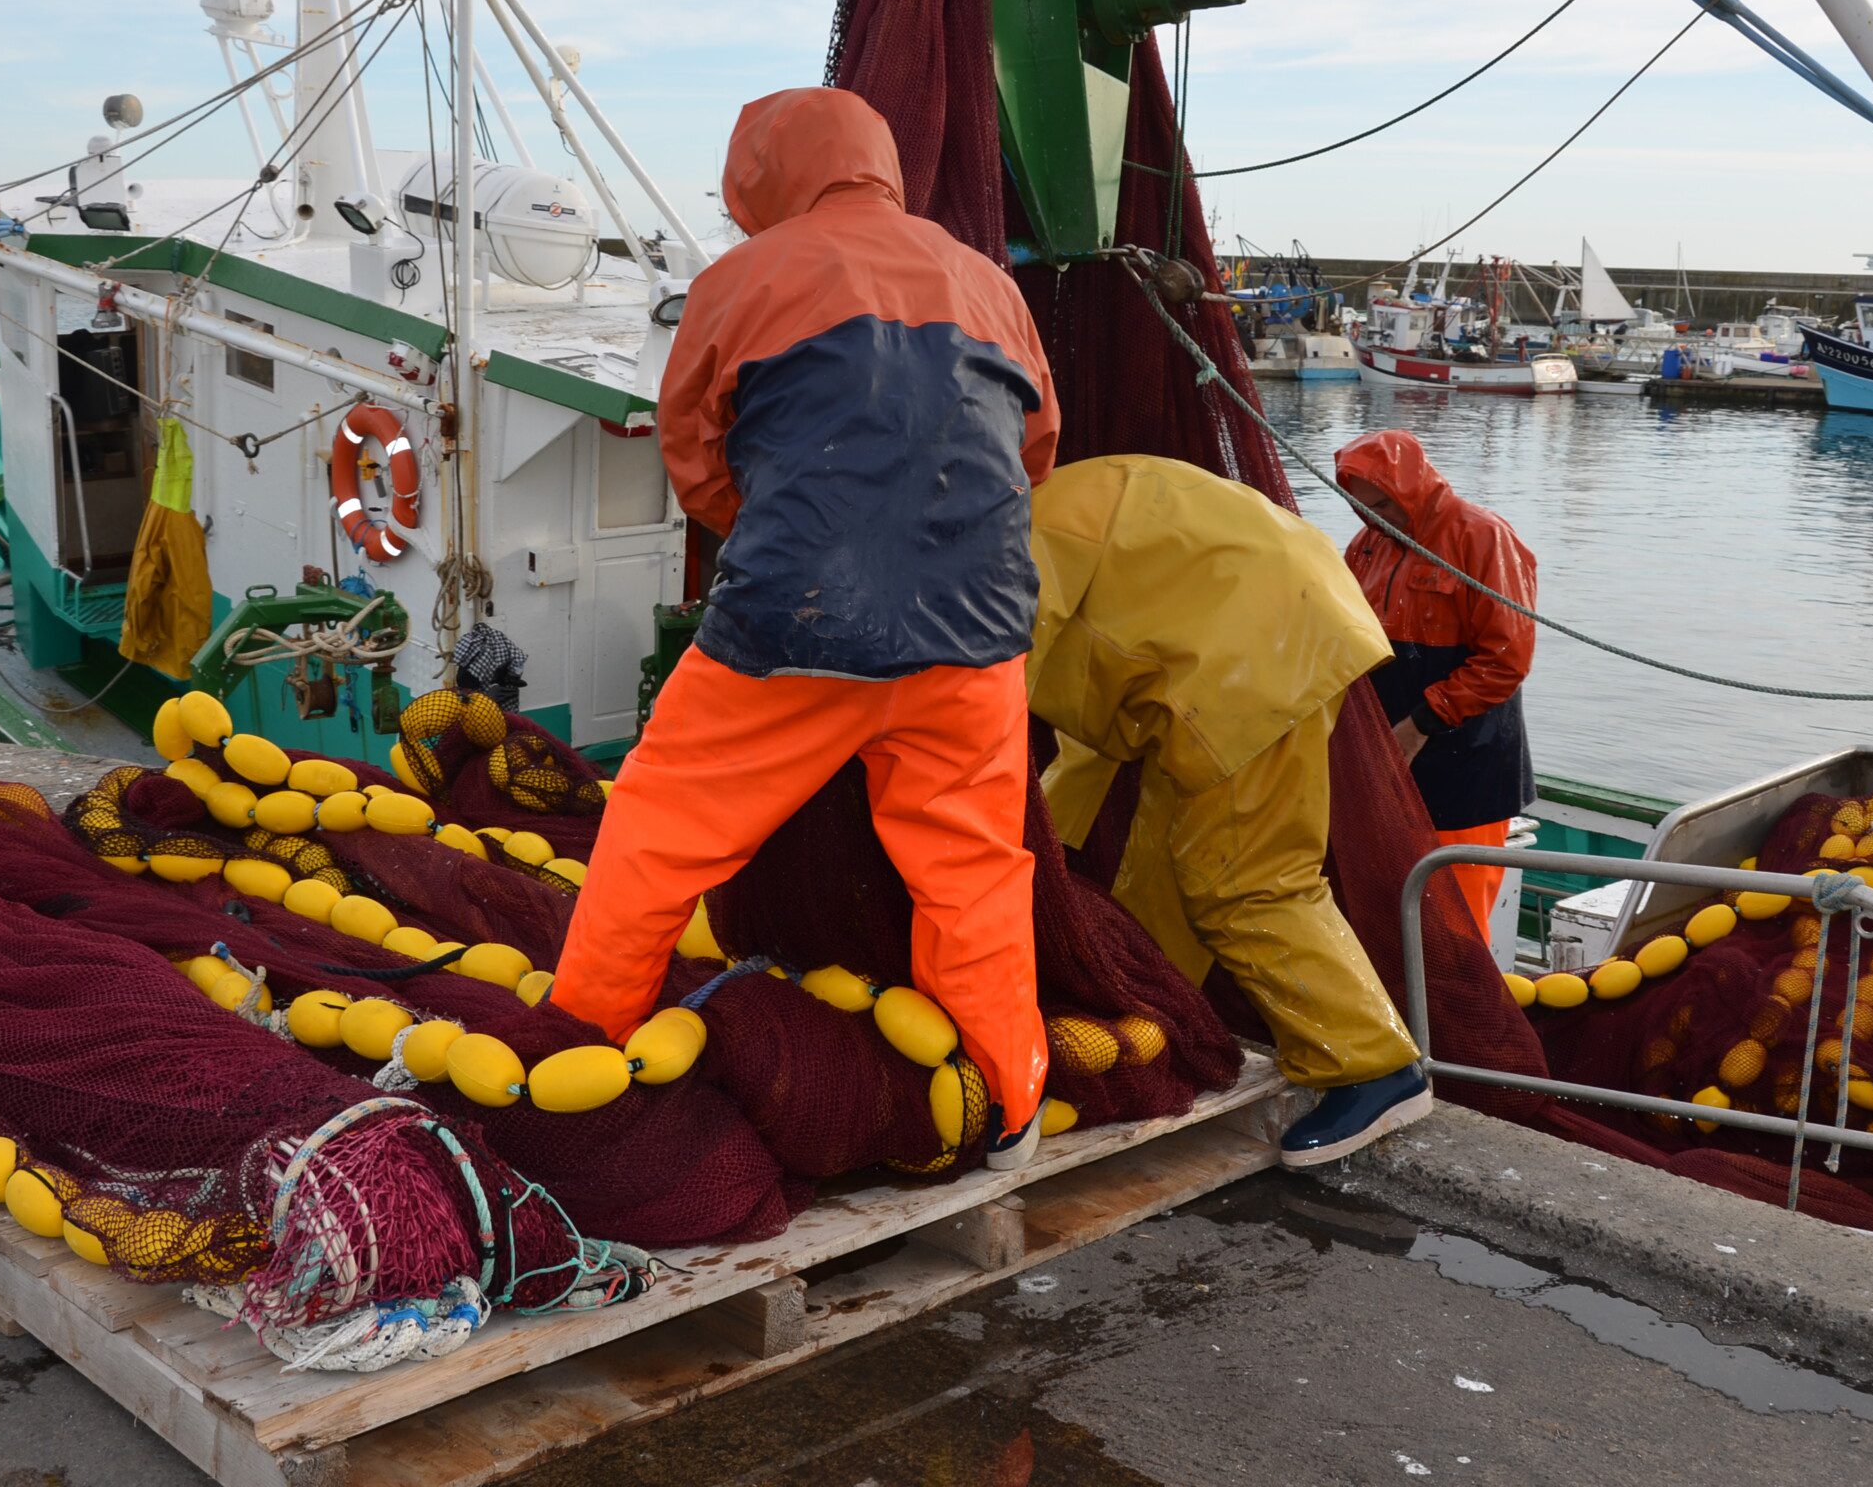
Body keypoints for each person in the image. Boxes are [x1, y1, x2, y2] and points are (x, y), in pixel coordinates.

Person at [550, 87, 1058, 1168]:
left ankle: (581, 1052)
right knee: (969, 866)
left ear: (759, 176)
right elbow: (1035, 445)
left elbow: (693, 452)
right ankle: (1007, 1103)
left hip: (796, 622)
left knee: (657, 826)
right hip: (976, 631)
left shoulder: (742, 277)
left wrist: (786, 540)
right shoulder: (986, 282)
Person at [1028, 454, 1432, 1167]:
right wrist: (1048, 848)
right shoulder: (1058, 499)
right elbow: (1083, 729)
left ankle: (1374, 1068)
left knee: (1246, 880)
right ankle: (1156, 1028)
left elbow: (986, 691)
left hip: (1251, 657)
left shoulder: (1013, 541)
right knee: (1158, 874)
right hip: (1253, 640)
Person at [1332, 429, 1538, 946]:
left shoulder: (1482, 536)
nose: (1375, 516)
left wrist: (1421, 723)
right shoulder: (1367, 543)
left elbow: (1507, 658)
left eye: (1384, 503)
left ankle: (1461, 1020)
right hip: (1388, 756)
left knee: (1455, 927)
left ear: (1414, 488)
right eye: (1362, 506)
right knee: (1379, 909)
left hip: (1465, 763)